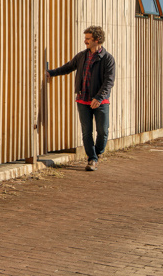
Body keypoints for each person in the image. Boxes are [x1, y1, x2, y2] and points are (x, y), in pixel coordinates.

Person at [47, 26, 115, 171]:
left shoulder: (108, 59)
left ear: (97, 40)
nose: (85, 41)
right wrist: (51, 73)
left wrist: (99, 97)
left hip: (100, 101)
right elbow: (68, 67)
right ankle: (92, 159)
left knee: (103, 131)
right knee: (86, 132)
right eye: (85, 39)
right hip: (83, 99)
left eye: (88, 39)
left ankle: (97, 153)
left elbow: (109, 81)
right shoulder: (81, 56)